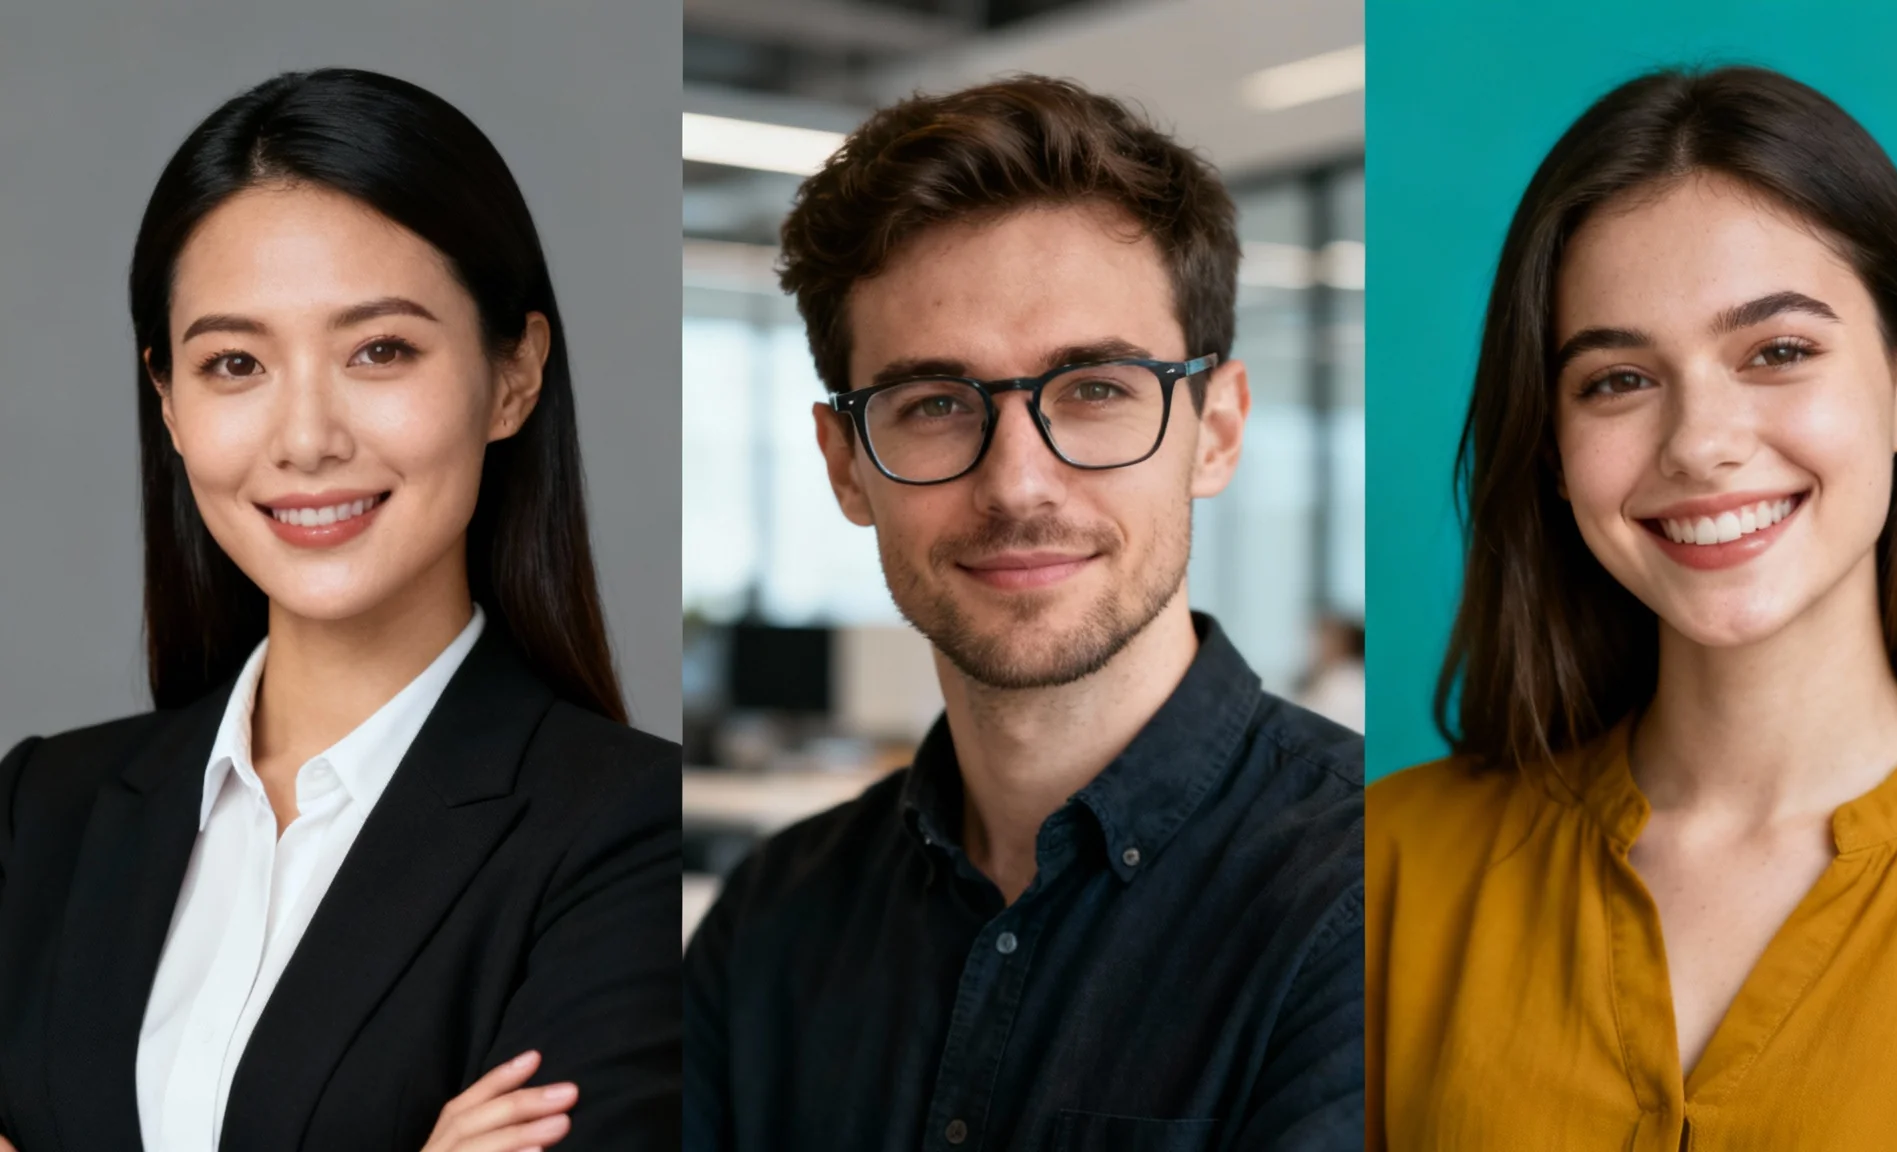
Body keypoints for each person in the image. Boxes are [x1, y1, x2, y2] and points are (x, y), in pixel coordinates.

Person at [1367, 65, 1897, 1149]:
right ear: (1549, 446)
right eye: (1616, 380)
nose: (1698, 441)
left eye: (1776, 352)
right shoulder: (1378, 870)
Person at [0, 70, 680, 1151]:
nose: (305, 437)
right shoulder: (43, 812)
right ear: (168, 402)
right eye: (234, 363)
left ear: (514, 375)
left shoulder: (630, 834)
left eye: (380, 350)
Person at [681, 77, 1364, 1148]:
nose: (1017, 486)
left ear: (1216, 429)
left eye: (1094, 388)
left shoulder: (1373, 904)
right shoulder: (770, 921)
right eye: (936, 406)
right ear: (845, 467)